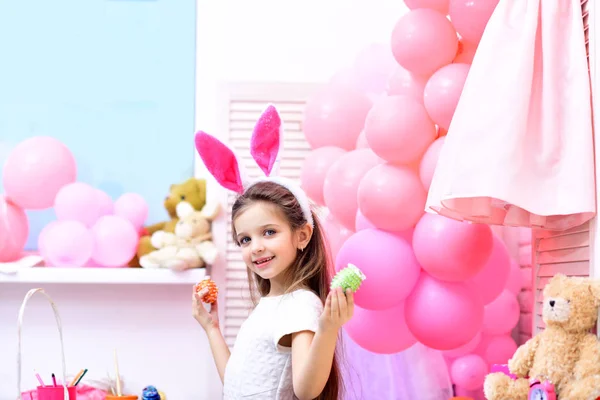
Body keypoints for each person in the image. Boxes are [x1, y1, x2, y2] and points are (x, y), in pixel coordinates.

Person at [192, 104, 354, 400]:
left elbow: (306, 391)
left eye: (269, 232)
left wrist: (328, 328)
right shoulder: (270, 305)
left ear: (302, 235)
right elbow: (237, 386)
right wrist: (212, 328)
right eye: (244, 239)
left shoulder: (301, 303)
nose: (256, 247)